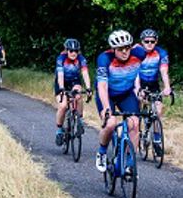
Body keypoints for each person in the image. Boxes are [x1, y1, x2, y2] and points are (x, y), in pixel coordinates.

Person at [95, 29, 143, 172]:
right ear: (113, 49)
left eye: (127, 48)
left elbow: (152, 56)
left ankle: (129, 163)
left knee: (135, 123)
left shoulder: (138, 54)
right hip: (108, 94)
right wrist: (106, 108)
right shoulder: (104, 59)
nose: (124, 52)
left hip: (126, 94)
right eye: (120, 49)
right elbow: (102, 86)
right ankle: (102, 152)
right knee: (110, 124)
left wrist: (141, 91)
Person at [132, 28, 172, 153]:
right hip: (139, 81)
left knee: (158, 110)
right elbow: (135, 72)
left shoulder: (161, 53)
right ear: (142, 42)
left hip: (153, 83)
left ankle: (156, 139)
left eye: (152, 41)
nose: (149, 44)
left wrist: (167, 87)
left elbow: (164, 72)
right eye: (146, 41)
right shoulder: (136, 52)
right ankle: (137, 135)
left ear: (156, 42)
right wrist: (138, 89)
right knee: (137, 107)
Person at [53, 38, 91, 145]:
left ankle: (80, 121)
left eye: (76, 51)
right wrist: (61, 88)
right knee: (63, 106)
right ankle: (60, 130)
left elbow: (85, 74)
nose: (73, 53)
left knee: (78, 96)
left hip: (74, 81)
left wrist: (88, 88)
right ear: (66, 50)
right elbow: (60, 75)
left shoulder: (81, 59)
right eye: (71, 51)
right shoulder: (61, 59)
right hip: (62, 82)